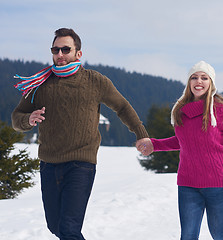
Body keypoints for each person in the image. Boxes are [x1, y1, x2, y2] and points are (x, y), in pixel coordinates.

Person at [12, 28, 149, 240]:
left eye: (65, 49)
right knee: (55, 226)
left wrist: (140, 133)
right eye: (55, 49)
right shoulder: (41, 84)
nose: (59, 54)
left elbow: (122, 107)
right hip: (48, 164)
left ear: (78, 53)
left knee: (69, 229)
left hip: (81, 164)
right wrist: (27, 120)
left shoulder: (95, 81)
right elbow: (16, 117)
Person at [137, 60, 223, 240]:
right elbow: (185, 141)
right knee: (187, 236)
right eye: (194, 77)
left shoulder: (222, 111)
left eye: (204, 77)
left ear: (211, 83)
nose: (198, 81)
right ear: (189, 83)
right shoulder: (180, 111)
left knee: (218, 233)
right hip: (188, 185)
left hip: (220, 185)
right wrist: (155, 144)